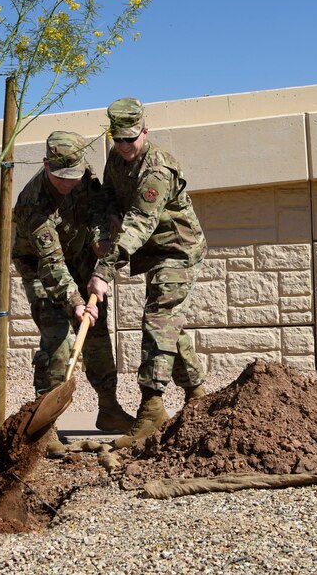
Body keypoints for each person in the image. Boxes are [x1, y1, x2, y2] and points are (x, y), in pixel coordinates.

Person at [12, 131, 135, 448]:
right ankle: (44, 426)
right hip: (41, 268)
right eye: (61, 177)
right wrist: (75, 302)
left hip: (80, 258)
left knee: (96, 333)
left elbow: (96, 209)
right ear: (46, 165)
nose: (69, 183)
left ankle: (109, 408)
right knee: (58, 338)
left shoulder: (83, 174)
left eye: (74, 176)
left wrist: (100, 239)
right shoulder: (32, 204)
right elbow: (51, 264)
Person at [98, 98, 208, 448]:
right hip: (151, 251)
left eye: (131, 139)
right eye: (119, 139)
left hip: (177, 249)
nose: (125, 147)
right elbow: (108, 200)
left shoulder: (157, 170)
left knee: (157, 319)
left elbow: (140, 221)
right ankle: (197, 394)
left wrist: (105, 268)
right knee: (169, 325)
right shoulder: (116, 158)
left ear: (145, 131)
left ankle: (152, 407)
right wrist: (105, 227)